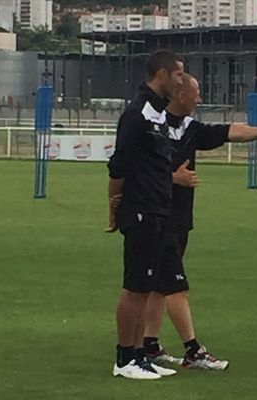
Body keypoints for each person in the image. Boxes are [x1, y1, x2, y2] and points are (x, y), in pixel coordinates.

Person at [138, 73, 257, 370]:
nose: (199, 99)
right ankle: (193, 350)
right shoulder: (151, 125)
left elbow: (226, 131)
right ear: (180, 94)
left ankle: (150, 346)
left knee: (159, 286)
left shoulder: (189, 128)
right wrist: (173, 177)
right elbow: (135, 168)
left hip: (180, 218)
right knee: (175, 287)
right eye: (196, 93)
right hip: (158, 216)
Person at [106, 49, 184, 380]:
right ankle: (124, 358)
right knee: (135, 287)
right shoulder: (137, 114)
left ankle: (139, 355)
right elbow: (119, 165)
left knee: (147, 285)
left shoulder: (158, 114)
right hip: (139, 210)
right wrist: (114, 206)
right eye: (178, 74)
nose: (181, 81)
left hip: (158, 209)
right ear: (162, 75)